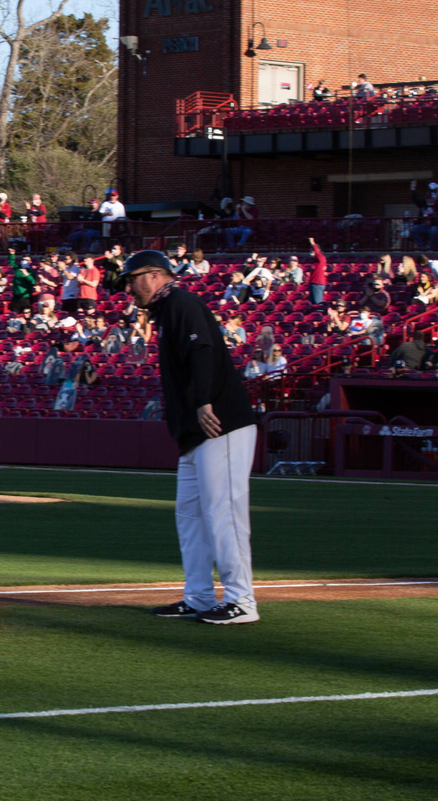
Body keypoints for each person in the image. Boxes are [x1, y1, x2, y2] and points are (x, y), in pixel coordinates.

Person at [116, 250, 260, 624]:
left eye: (132, 280)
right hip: (196, 433)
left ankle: (242, 601)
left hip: (219, 423)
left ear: (153, 275)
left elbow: (203, 351)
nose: (128, 288)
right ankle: (197, 596)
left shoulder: (181, 302)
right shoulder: (166, 312)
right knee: (191, 516)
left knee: (223, 513)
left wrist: (203, 402)